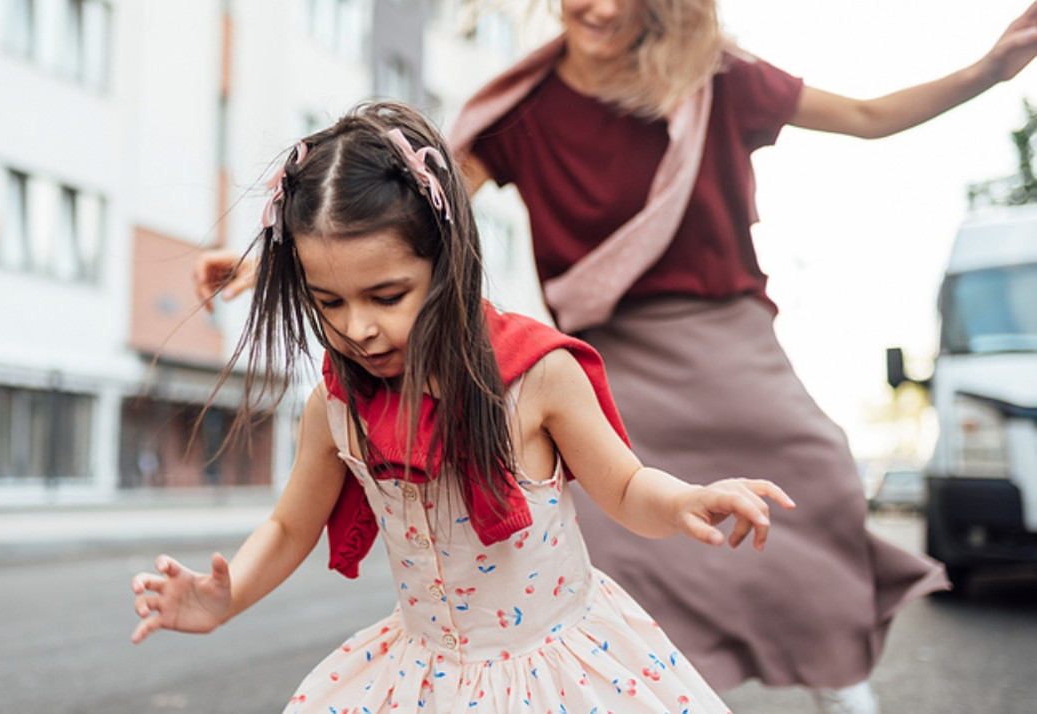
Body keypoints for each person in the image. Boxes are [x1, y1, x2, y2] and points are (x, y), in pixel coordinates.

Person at [194, 3, 1037, 713]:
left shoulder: (715, 81)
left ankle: (838, 680)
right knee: (610, 532)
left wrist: (988, 71)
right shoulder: (522, 109)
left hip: (723, 332)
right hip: (608, 344)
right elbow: (385, 221)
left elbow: (863, 116)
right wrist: (255, 264)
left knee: (812, 479)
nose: (591, 4)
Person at [134, 101, 795, 713]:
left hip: (560, 673)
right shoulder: (333, 408)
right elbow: (288, 528)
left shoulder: (536, 378)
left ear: (446, 263)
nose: (358, 328)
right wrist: (225, 600)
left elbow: (624, 485)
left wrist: (681, 502)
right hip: (425, 682)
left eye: (387, 296)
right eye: (329, 303)